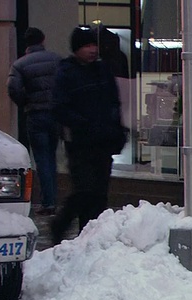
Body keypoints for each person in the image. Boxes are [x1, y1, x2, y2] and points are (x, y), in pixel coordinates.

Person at [50, 27, 128, 244]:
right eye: (87, 46)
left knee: (100, 193)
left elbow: (114, 102)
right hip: (81, 143)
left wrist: (117, 130)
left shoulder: (102, 70)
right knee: (85, 189)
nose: (92, 50)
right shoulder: (66, 73)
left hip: (104, 141)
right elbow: (59, 107)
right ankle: (61, 224)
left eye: (94, 45)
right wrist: (83, 124)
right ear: (76, 49)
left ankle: (90, 236)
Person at [7, 27, 62, 216]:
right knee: (52, 157)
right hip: (55, 114)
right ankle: (53, 197)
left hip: (35, 115)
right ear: (43, 39)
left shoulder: (20, 65)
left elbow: (13, 88)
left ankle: (48, 202)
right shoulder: (57, 60)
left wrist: (25, 102)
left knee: (41, 158)